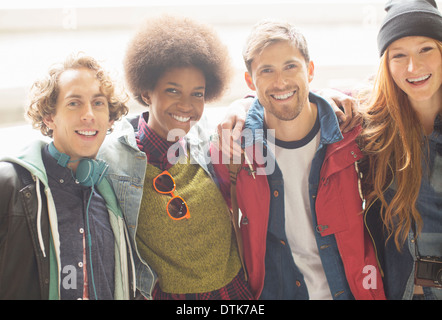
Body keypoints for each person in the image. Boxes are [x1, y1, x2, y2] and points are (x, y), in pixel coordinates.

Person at [213, 19, 386, 300]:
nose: (280, 82)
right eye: (266, 70)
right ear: (250, 80)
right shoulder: (233, 147)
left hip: (354, 290)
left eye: (290, 66)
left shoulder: (352, 131)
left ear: (310, 70)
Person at [98, 15, 253, 300]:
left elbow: (258, 104)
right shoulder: (113, 157)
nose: (187, 105)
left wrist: (242, 104)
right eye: (173, 90)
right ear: (146, 91)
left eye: (197, 94)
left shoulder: (205, 138)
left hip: (236, 291)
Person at [0, 53, 135, 299]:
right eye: (74, 103)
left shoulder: (117, 193)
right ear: (49, 116)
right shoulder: (9, 184)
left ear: (110, 117)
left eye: (98, 103)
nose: (89, 115)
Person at [358, 0, 442, 300]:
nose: (413, 67)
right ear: (386, 63)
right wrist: (243, 105)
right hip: (399, 290)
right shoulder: (374, 126)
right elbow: (308, 106)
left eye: (426, 49)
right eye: (399, 55)